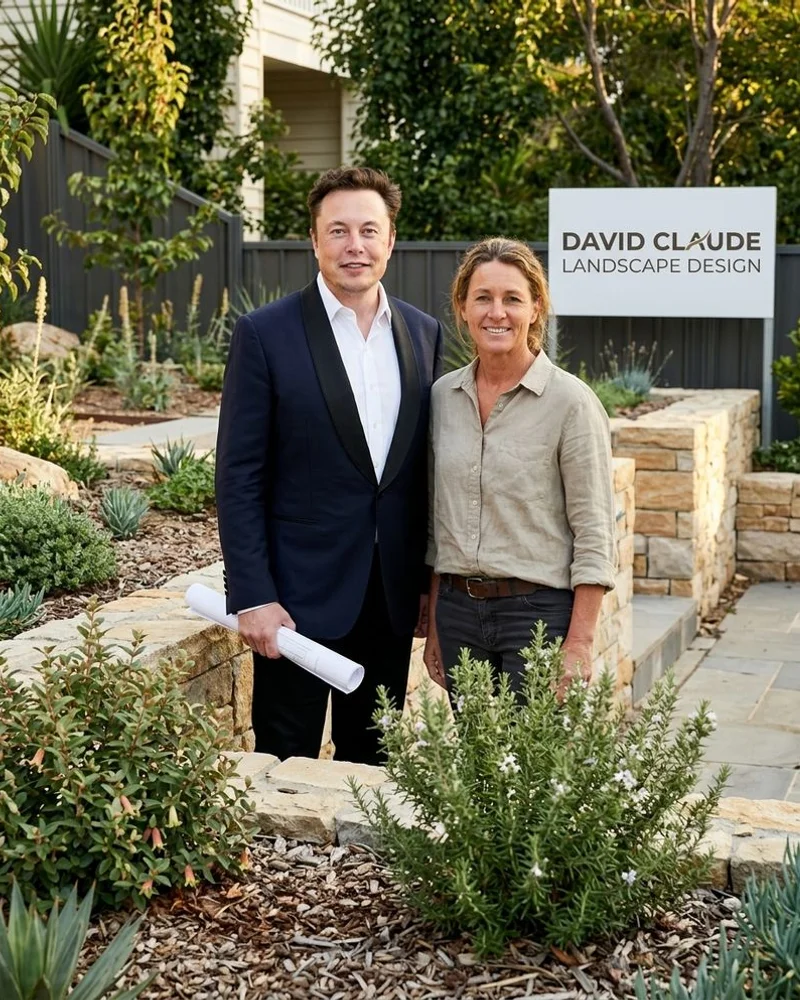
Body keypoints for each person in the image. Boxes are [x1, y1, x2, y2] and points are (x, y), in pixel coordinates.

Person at [216, 166, 443, 764]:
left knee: (374, 766)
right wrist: (252, 594)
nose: (354, 245)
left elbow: (423, 471)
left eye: (369, 230)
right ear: (314, 241)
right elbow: (238, 476)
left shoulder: (423, 334)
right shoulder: (264, 333)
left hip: (390, 597)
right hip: (295, 599)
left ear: (391, 241)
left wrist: (427, 583)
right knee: (283, 760)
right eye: (338, 231)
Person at [424, 237, 616, 700]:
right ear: (462, 308)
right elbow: (436, 523)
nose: (497, 313)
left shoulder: (571, 403)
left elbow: (594, 532)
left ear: (535, 308)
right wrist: (435, 623)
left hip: (538, 616)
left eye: (512, 299)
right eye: (483, 298)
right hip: (457, 614)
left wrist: (580, 641)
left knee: (533, 748)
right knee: (474, 748)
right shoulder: (442, 398)